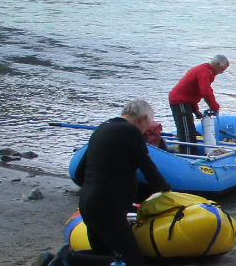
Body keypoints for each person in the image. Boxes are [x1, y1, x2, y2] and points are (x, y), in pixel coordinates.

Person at [34, 99, 171, 266]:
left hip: (88, 204)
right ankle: (68, 258)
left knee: (105, 254)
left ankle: (52, 260)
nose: (145, 131)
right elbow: (149, 170)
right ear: (142, 119)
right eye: (147, 125)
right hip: (108, 210)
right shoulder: (131, 132)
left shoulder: (102, 128)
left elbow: (79, 172)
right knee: (131, 262)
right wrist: (167, 190)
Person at [168, 54, 229, 155]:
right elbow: (206, 92)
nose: (221, 72)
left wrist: (195, 110)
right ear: (217, 64)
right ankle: (188, 156)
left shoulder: (206, 71)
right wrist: (215, 107)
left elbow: (194, 92)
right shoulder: (204, 71)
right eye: (222, 69)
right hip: (180, 101)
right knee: (187, 134)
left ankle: (191, 153)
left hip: (185, 102)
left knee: (190, 130)